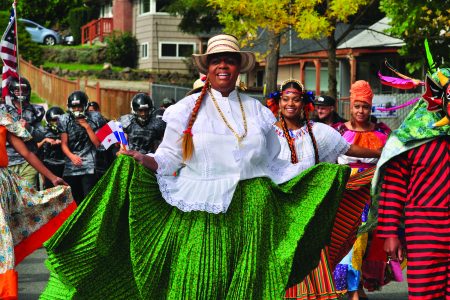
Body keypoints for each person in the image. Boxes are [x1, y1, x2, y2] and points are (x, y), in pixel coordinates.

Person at [41, 34, 352, 299]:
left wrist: (325, 177)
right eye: (216, 60)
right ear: (207, 67)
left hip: (255, 214)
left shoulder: (257, 111)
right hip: (203, 212)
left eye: (229, 59)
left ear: (238, 67)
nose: (222, 65)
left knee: (249, 289)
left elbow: (276, 165)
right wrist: (141, 159)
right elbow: (168, 160)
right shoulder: (186, 110)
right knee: (199, 282)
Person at [272, 79, 382, 299]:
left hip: (312, 215)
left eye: (296, 99)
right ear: (278, 102)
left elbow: (348, 148)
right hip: (279, 213)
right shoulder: (267, 134)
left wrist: (382, 154)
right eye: (286, 99)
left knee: (312, 264)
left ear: (305, 103)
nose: (290, 104)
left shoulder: (319, 132)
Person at [371, 68, 449, 299]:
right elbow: (394, 187)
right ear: (438, 99)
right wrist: (391, 233)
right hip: (424, 227)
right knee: (425, 293)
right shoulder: (410, 138)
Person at [0, 110, 76, 299]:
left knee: (3, 240)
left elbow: (26, 152)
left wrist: (52, 177)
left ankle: (5, 293)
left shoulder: (3, 120)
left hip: (1, 185)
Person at [332, 80, 391, 300]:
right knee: (350, 242)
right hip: (346, 195)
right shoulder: (337, 131)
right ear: (350, 106)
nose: (360, 111)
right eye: (357, 105)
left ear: (371, 107)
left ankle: (358, 286)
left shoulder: (383, 132)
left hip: (374, 194)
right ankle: (353, 289)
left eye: (365, 106)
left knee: (368, 243)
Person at [58, 91, 107, 204]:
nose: (77, 110)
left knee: (89, 200)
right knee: (74, 200)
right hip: (72, 164)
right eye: (74, 107)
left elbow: (98, 144)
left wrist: (87, 127)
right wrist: (72, 156)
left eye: (79, 106)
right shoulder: (64, 119)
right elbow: (64, 144)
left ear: (85, 105)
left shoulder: (95, 117)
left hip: (90, 165)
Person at [6, 76, 45, 188]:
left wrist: (29, 128)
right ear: (12, 91)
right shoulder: (4, 110)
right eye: (17, 90)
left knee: (29, 198)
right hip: (8, 162)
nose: (21, 93)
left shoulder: (34, 110)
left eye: (24, 90)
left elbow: (41, 136)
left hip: (29, 162)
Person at [37, 106, 66, 189]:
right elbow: (34, 148)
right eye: (53, 120)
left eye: (58, 120)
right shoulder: (42, 132)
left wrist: (63, 141)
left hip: (65, 166)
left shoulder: (67, 131)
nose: (56, 122)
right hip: (48, 167)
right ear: (48, 121)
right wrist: (45, 140)